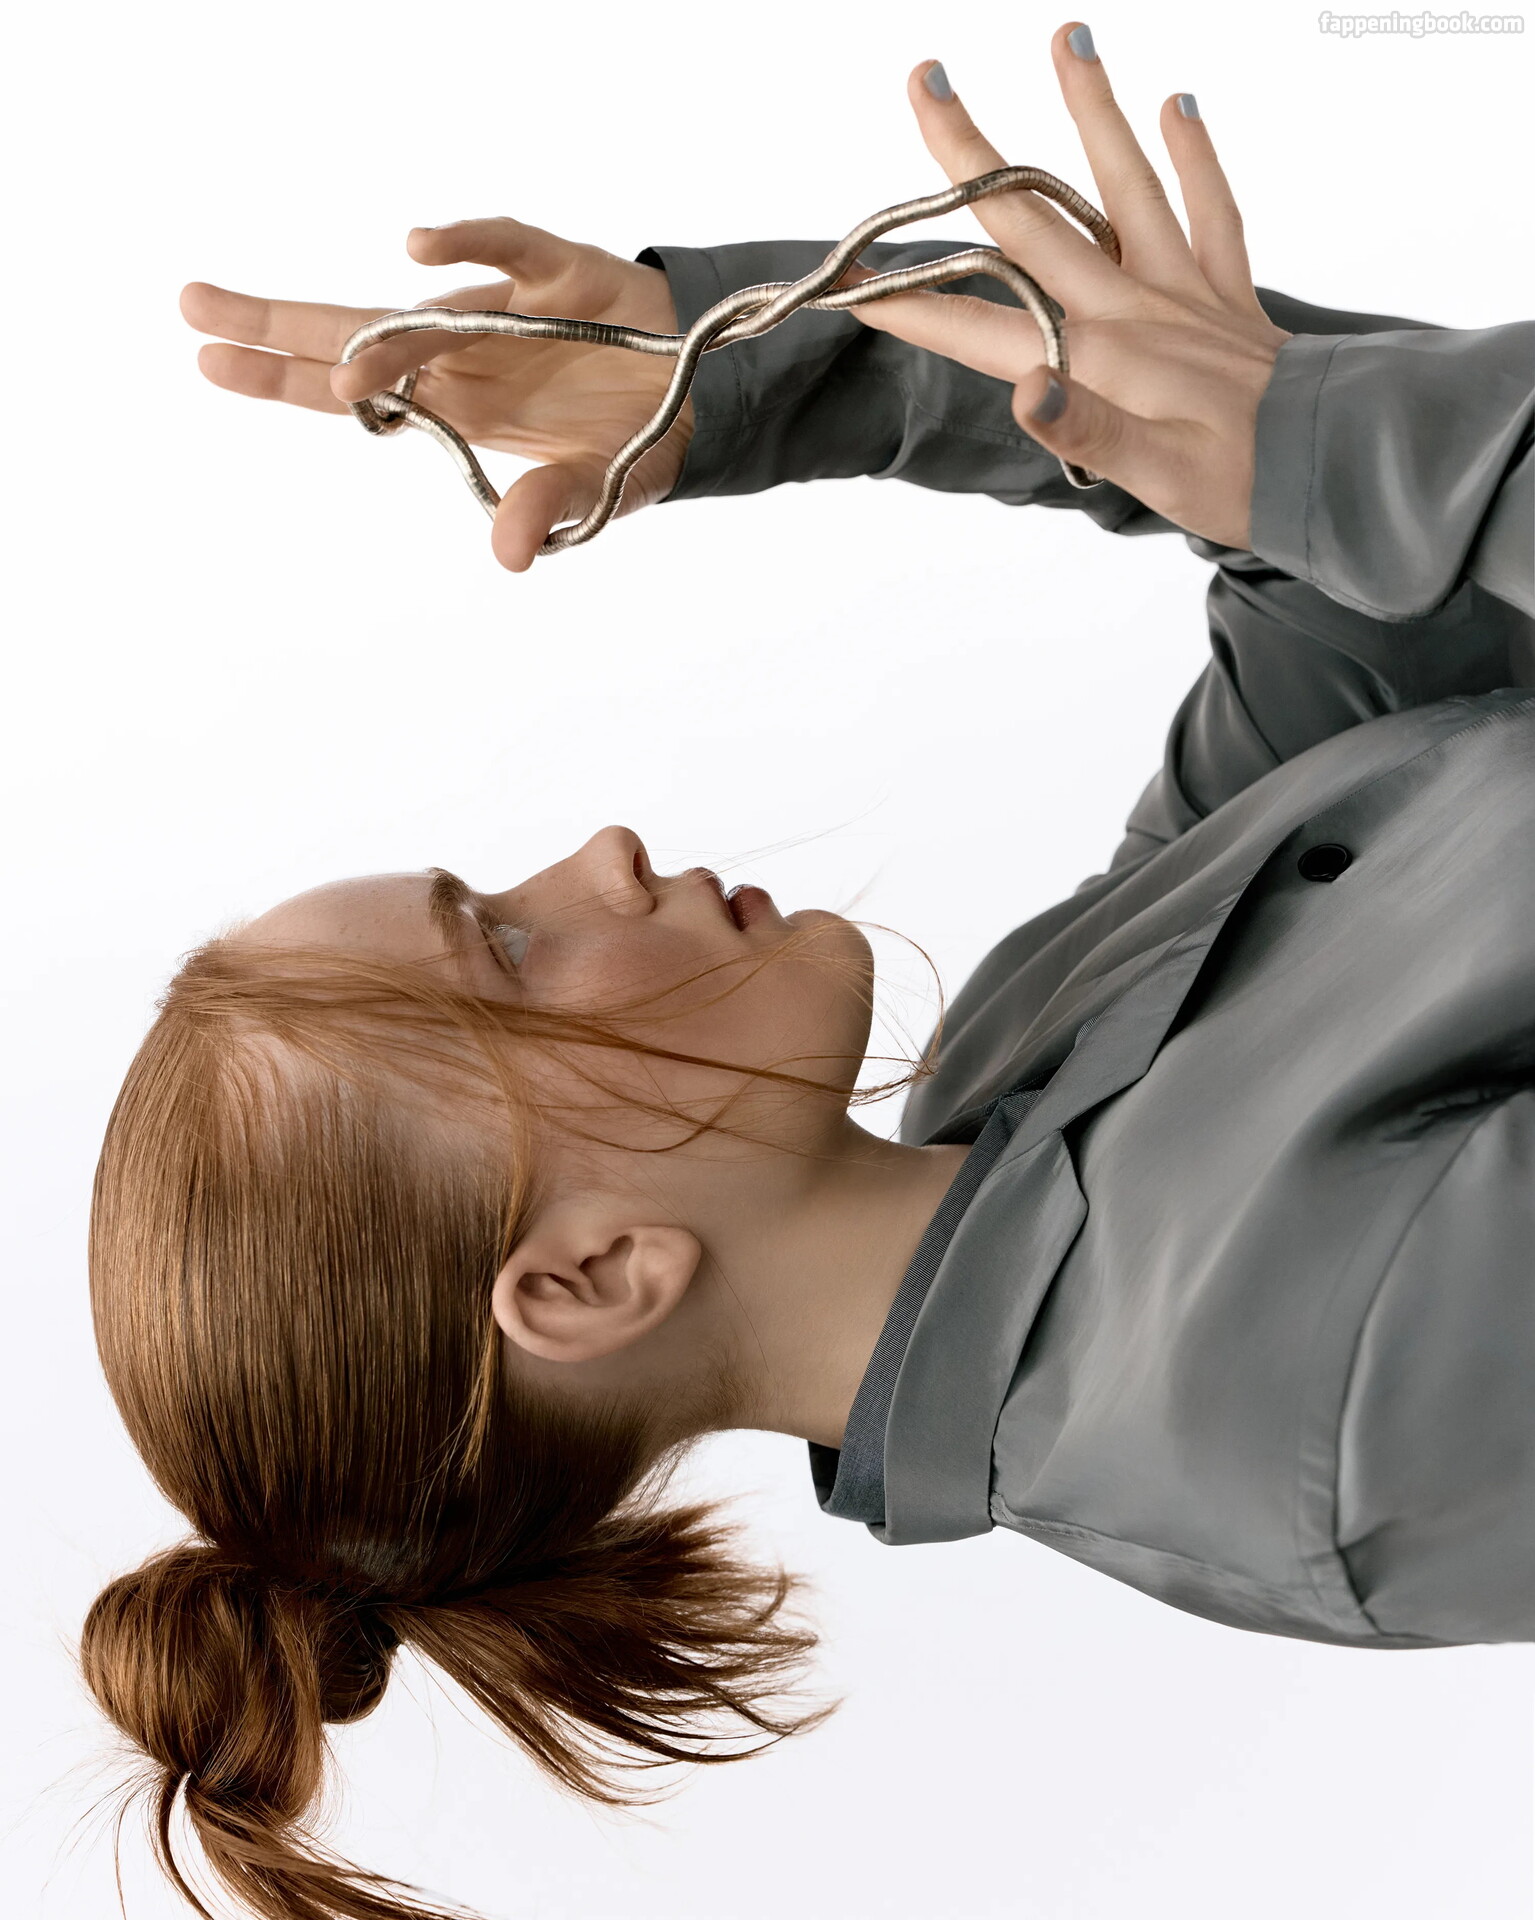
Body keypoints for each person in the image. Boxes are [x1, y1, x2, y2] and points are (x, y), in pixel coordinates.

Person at [89, 24, 1533, 1920]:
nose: (599, 854)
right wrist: (1316, 449)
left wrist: (745, 374)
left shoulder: (1027, 1054)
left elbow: (1366, 575)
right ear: (594, 1278)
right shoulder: (1321, 1422)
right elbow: (1358, 474)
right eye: (505, 947)